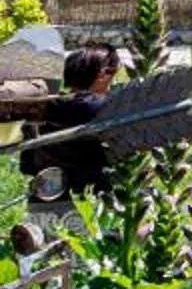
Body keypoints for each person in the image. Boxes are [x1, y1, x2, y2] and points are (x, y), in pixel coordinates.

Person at [18, 42, 120, 198]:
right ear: (103, 75)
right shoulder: (99, 107)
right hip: (93, 198)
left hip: (47, 192)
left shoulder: (43, 106)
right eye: (114, 75)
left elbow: (27, 164)